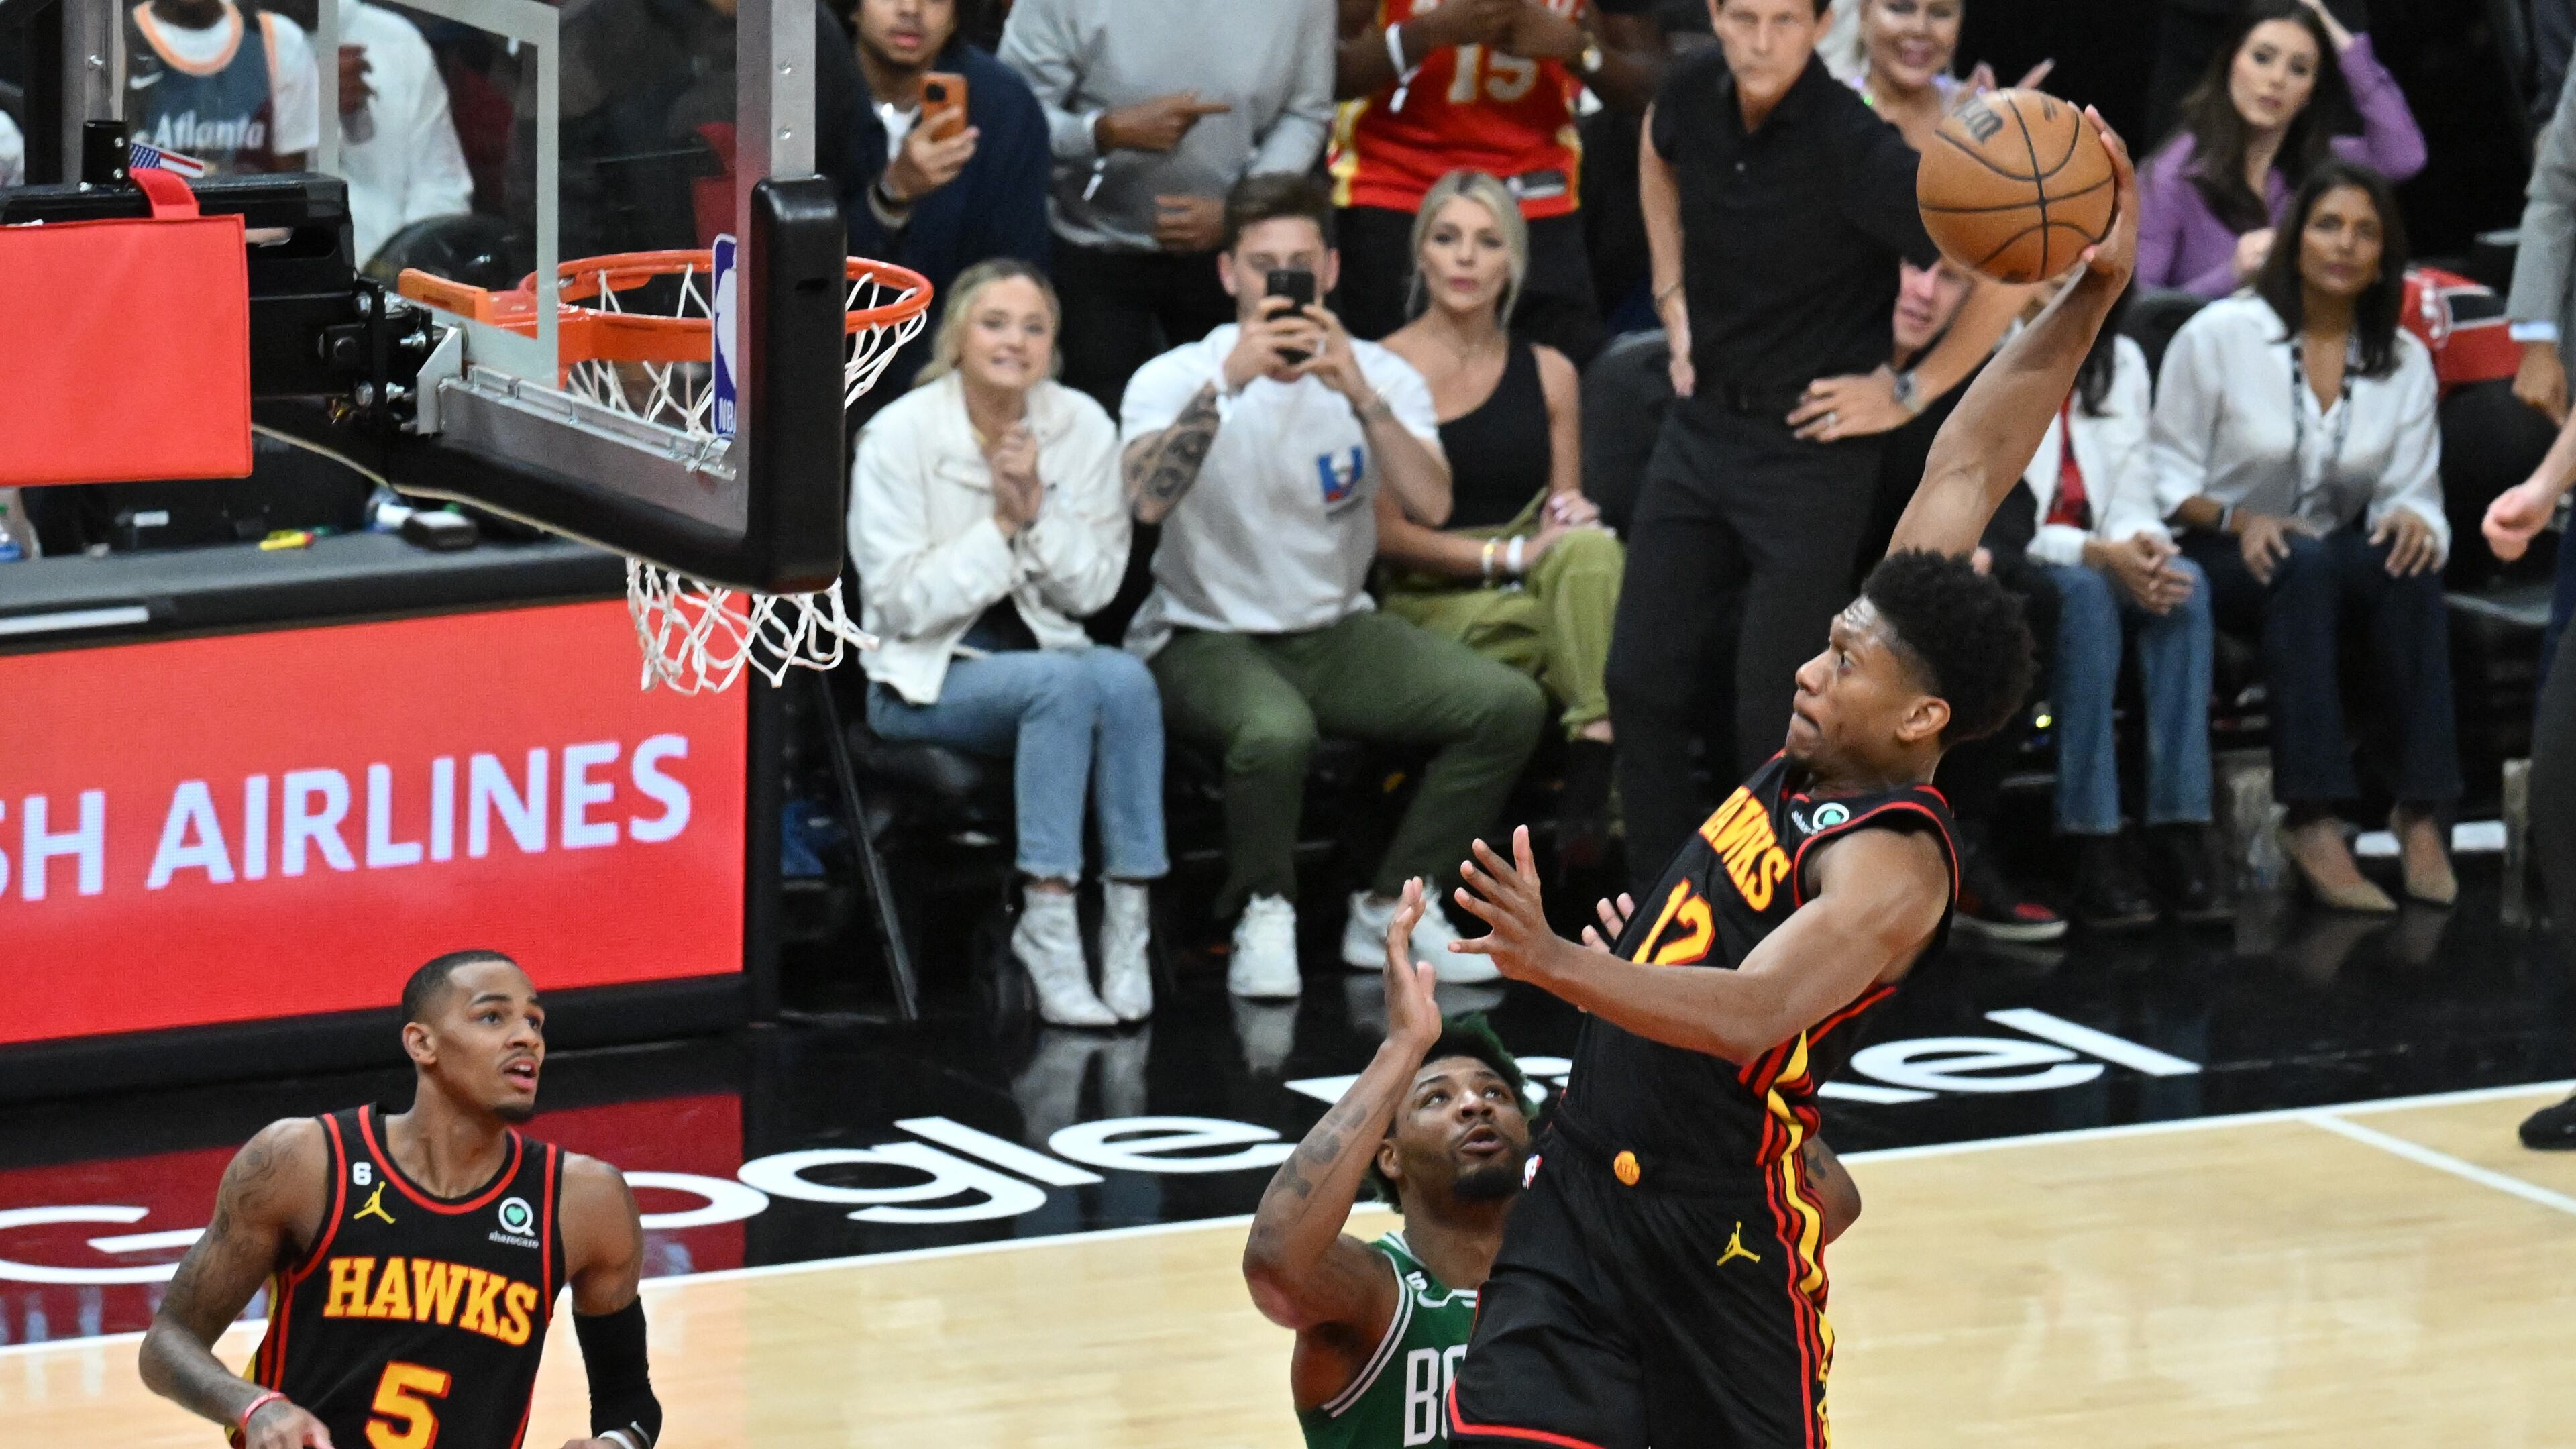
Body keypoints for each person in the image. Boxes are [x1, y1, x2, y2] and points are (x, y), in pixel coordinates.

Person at [1436, 113, 2141, 1449]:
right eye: (1829, 642)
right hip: (1585, 1186)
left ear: (1922, 714)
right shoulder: (1839, 734)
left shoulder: (1893, 862)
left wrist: (1564, 967)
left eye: (1850, 658)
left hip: (1720, 1243)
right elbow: (1969, 459)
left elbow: (1758, 1011)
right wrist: (2086, 294)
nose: (1817, 666)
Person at [1118, 172, 1547, 1000]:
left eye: (1300, 264)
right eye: (1262, 263)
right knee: (1274, 732)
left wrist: (1360, 394)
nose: (1282, 280)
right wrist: (1228, 385)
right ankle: (1264, 909)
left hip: (1337, 627)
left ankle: (1392, 906)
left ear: (1331, 271)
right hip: (1203, 631)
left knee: (1505, 705)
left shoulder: (1377, 373)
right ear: (1229, 276)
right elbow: (1145, 500)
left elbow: (1432, 504)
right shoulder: (1178, 374)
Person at [1243, 879, 1862, 1449]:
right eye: (1437, 1098)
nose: (1473, 1107)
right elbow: (1276, 1263)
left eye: (1495, 1094)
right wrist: (1402, 1046)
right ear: (1389, 1154)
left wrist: (1677, 1034)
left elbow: (1823, 1205)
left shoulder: (1598, 1261)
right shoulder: (1379, 1293)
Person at [1608, 0, 1941, 899]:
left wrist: (1909, 389)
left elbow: (1989, 258)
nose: (1760, 40)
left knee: (1775, 712)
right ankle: (1657, 909)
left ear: (1821, 22)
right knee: (1637, 679)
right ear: (1714, 13)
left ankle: (1768, 912)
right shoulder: (1690, 90)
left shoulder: (1853, 143)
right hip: (1701, 424)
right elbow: (1655, 146)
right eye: (1743, 16)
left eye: (1783, 20)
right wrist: (1670, 300)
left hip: (1809, 449)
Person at [137, 951, 659, 1449]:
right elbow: (168, 1343)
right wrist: (255, 1407)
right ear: (421, 1043)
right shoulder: (304, 1163)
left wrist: (618, 1440)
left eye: (535, 1022)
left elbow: (627, 1398)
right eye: (493, 1017)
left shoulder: (585, 1201)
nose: (526, 1037)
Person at [851, 260, 1163, 1026]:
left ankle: (1128, 923)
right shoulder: (898, 434)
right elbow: (898, 603)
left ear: (1053, 346)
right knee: (1062, 685)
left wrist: (1037, 512)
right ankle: (1049, 922)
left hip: (1048, 648)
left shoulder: (1081, 425)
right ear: (957, 335)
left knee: (1125, 679)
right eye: (995, 323)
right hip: (922, 677)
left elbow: (1093, 591)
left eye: (1034, 327)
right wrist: (1000, 527)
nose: (1013, 342)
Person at [2152, 161, 2458, 913]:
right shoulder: (2219, 333)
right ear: (2293, 241)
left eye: (2365, 231)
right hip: (2214, 547)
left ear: (2385, 255)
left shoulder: (2405, 360)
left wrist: (2416, 519)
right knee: (2306, 558)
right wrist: (2238, 519)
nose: (2344, 245)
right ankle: (2314, 816)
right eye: (2327, 225)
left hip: (2317, 550)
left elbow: (2412, 493)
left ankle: (2422, 809)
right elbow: (2159, 478)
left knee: (2404, 562)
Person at [1375, 170, 1625, 871]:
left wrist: (1571, 522)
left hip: (1535, 584)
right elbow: (1386, 536)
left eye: (1487, 242)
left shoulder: (1552, 372)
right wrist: (1511, 559)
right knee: (1596, 627)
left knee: (1593, 554)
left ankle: (1594, 741)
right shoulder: (1381, 368)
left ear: (1513, 261)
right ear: (1420, 254)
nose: (1465, 258)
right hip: (1430, 600)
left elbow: (1561, 515)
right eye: (1447, 238)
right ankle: (1602, 780)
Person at [1866, 254, 2071, 943]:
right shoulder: (1824, 354)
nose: (1924, 290)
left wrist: (1978, 550)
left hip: (1931, 584)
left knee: (2029, 594)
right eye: (1910, 268)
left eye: (1948, 276)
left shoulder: (1968, 377)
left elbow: (2015, 505)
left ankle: (1960, 839)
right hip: (1829, 578)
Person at [1000, 0, 1337, 411]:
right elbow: (1011, 110)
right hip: (1088, 245)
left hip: (1231, 259)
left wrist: (1241, 210)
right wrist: (1099, 133)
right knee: (1095, 425)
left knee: (1238, 423)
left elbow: (1305, 111)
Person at [2023, 282, 2225, 928]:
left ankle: (2178, 827)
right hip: (2024, 560)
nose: (2066, 278)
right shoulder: (1988, 356)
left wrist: (2144, 549)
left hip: (2104, 553)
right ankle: (2091, 837)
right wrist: (2094, 554)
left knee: (2184, 587)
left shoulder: (2124, 359)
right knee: (2085, 599)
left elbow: (2135, 488)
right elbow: (1999, 519)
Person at [1325, 0, 1669, 366]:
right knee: (1389, 387)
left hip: (1537, 194)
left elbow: (1654, 88)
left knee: (1563, 383)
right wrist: (1426, 33)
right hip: (1396, 186)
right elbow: (1328, 72)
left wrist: (1576, 49)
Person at [2135, 0, 2424, 299]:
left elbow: (2403, 156)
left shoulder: (2320, 162)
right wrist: (2231, 274)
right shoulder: (2172, 174)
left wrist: (2330, 26)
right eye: (2262, 58)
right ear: (2230, 62)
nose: (2277, 79)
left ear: (2311, 90)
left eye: (2299, 69)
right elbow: (2141, 317)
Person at [843, 0, 1052, 410]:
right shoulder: (807, 92)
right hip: (822, 358)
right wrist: (892, 193)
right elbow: (799, 268)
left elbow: (1016, 269)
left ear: (958, 13)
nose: (911, 9)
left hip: (953, 370)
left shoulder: (1004, 105)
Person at [268, 0, 474, 268]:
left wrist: (398, 274)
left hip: (399, 288)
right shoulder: (229, 47)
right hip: (283, 282)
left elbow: (443, 189)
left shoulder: (398, 41)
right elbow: (229, 190)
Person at [124, 0, 323, 174]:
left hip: (250, 215)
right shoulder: (116, 42)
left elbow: (293, 185)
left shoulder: (279, 40)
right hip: (150, 215)